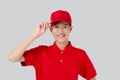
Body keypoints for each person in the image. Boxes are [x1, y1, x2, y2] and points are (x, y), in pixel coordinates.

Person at [8, 10, 97, 80]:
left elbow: (92, 78)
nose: (61, 31)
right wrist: (35, 34)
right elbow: (12, 58)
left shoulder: (80, 54)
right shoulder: (41, 52)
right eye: (56, 27)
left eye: (65, 26)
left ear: (71, 29)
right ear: (50, 29)